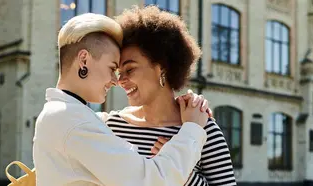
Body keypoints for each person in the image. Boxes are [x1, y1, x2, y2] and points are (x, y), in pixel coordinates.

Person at [32, 13, 212, 186]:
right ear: (84, 60)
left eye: (128, 70)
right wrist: (193, 129)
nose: (115, 81)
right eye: (112, 68)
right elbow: (152, 180)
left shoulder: (71, 116)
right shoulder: (75, 122)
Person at [98, 6, 237, 186]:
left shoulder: (202, 128)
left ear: (161, 67)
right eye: (119, 72)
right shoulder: (113, 126)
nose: (120, 80)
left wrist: (178, 168)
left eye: (130, 69)